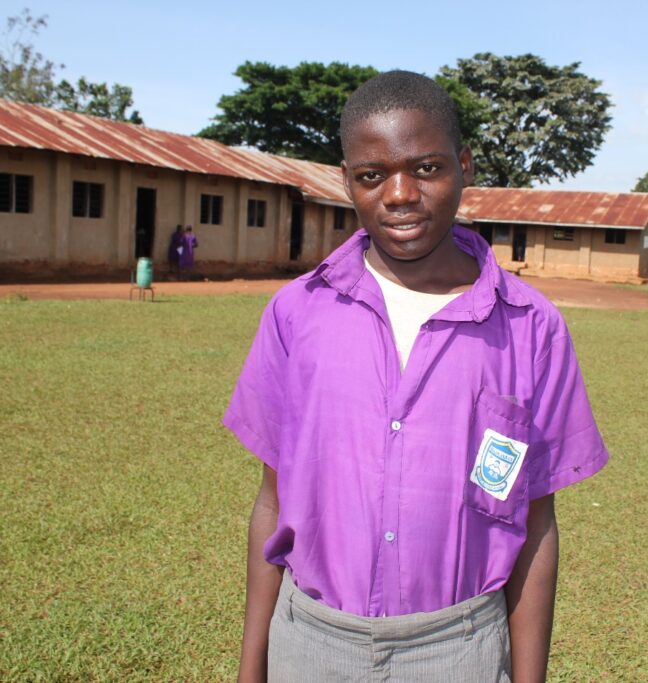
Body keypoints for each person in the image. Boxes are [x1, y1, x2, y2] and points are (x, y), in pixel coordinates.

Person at [224, 71, 609, 682]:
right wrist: (251, 670)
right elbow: (272, 500)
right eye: (372, 175)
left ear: (464, 166)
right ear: (347, 180)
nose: (399, 194)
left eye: (426, 168)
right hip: (311, 642)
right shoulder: (297, 313)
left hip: (460, 647)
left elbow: (536, 522)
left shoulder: (532, 328)